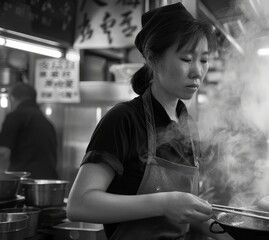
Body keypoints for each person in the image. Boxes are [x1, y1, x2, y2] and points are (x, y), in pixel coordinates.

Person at [66, 3, 232, 240]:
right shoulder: (124, 120)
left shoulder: (187, 125)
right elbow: (79, 204)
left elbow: (188, 215)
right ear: (153, 60)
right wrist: (164, 203)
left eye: (203, 60)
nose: (197, 71)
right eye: (186, 58)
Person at [0, 82, 58, 179]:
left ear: (12, 99)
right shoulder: (47, 122)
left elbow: (3, 153)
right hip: (47, 182)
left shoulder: (14, 116)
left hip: (24, 182)